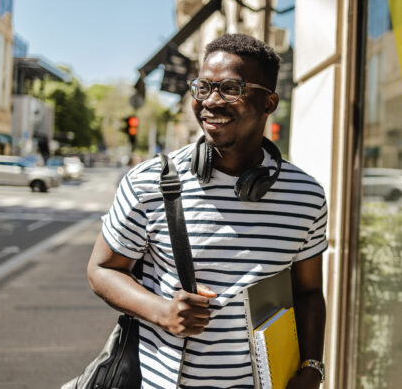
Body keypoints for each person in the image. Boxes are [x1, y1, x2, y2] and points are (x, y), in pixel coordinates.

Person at [87, 34, 327, 388]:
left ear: (269, 102)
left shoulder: (306, 196)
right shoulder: (148, 182)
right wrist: (163, 311)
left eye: (230, 89)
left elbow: (308, 292)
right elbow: (102, 269)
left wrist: (312, 368)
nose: (211, 102)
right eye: (203, 88)